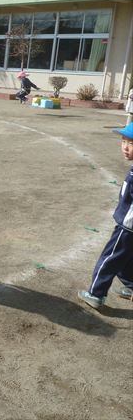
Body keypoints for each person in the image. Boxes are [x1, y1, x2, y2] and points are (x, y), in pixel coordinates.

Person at [78, 123, 133, 309]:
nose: (125, 147)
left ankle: (96, 294)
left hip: (128, 227)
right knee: (127, 259)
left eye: (131, 143)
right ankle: (131, 285)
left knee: (110, 258)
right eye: (123, 141)